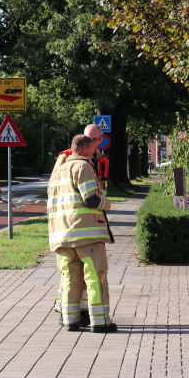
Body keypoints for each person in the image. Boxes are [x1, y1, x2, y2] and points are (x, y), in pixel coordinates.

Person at [49, 135, 116, 333]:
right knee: (96, 276)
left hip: (61, 235)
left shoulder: (58, 171)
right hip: (86, 233)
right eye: (93, 147)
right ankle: (101, 322)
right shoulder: (84, 167)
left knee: (70, 277)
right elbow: (91, 199)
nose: (95, 150)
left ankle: (70, 321)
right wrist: (107, 203)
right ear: (84, 149)